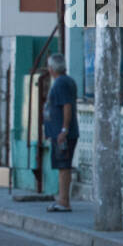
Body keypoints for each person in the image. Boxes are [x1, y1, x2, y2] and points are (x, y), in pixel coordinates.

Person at [43, 53, 79, 213]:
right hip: (59, 133)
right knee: (61, 166)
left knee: (64, 166)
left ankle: (64, 200)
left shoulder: (62, 83)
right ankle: (62, 198)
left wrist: (64, 129)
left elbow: (66, 106)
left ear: (52, 69)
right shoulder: (64, 81)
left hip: (63, 134)